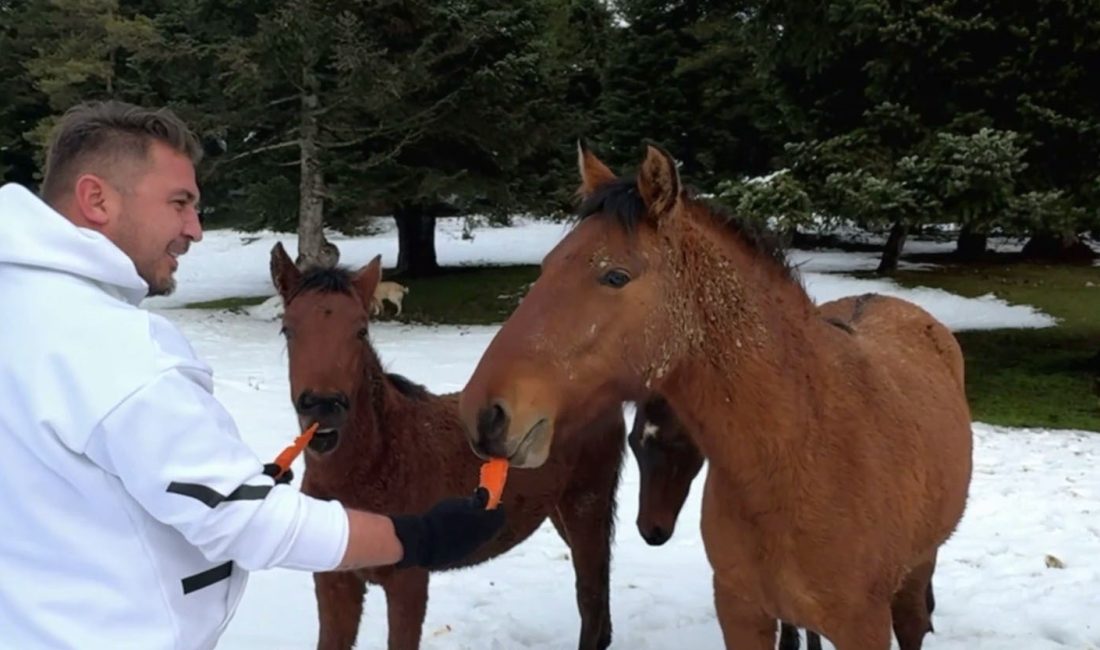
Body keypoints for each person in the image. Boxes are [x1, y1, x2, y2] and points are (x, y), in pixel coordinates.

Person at [0, 100, 506, 649]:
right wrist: (419, 536)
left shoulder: (21, 306)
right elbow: (242, 523)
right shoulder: (109, 347)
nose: (195, 229)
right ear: (96, 199)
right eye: (180, 203)